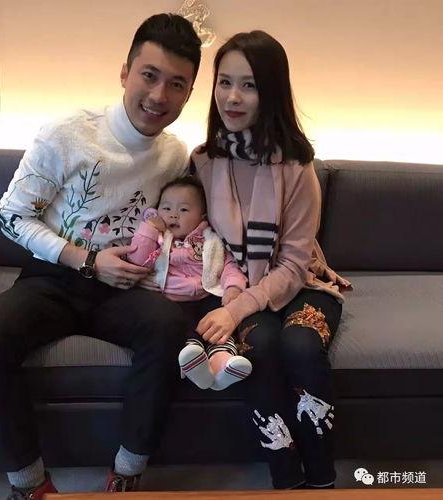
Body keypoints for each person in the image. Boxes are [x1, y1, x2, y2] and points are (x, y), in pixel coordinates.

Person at [0, 13, 201, 499]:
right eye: (149, 75)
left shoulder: (176, 156)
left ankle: (127, 473)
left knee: (169, 326)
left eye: (176, 84)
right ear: (125, 73)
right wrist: (86, 260)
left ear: (188, 93)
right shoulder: (68, 133)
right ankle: (29, 485)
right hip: (55, 277)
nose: (159, 95)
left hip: (126, 289)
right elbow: (10, 215)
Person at [191, 31, 352, 489]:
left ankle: (322, 480)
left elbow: (295, 264)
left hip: (302, 283)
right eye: (224, 82)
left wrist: (235, 310)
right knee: (258, 348)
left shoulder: (297, 166)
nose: (232, 97)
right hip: (239, 284)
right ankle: (287, 480)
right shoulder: (203, 160)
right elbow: (204, 238)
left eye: (250, 85)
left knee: (300, 345)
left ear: (272, 92)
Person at [127, 177, 252, 391]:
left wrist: (233, 287)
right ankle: (194, 361)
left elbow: (229, 265)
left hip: (207, 294)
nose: (173, 214)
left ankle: (222, 362)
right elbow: (138, 260)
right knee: (177, 322)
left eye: (183, 210)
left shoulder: (212, 240)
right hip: (170, 299)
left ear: (202, 216)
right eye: (166, 208)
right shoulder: (158, 238)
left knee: (217, 322)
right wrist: (149, 229)